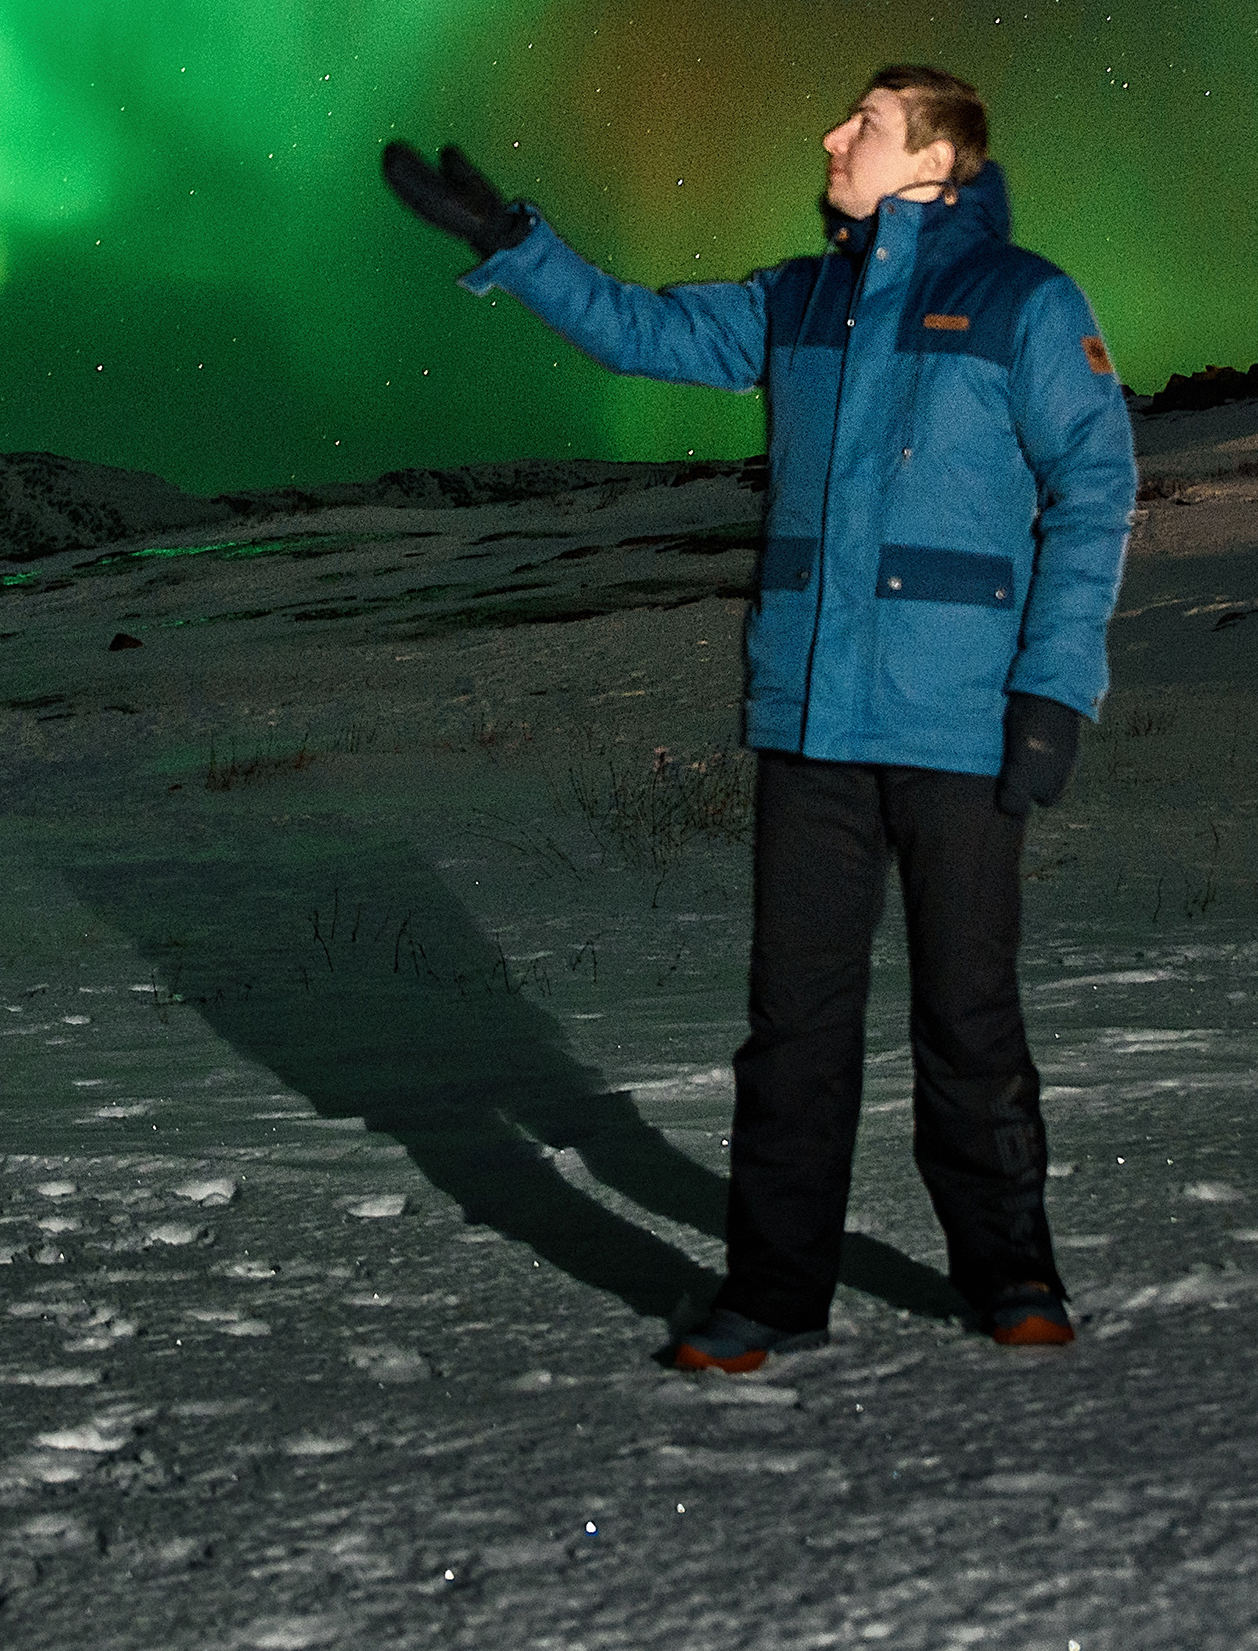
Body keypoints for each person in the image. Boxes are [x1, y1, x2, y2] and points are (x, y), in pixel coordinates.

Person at [381, 66, 1135, 1368]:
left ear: (935, 160)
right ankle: (773, 1292)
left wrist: (1053, 688)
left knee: (970, 1015)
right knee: (795, 1028)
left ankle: (1013, 1271)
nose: (832, 134)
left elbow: (1098, 480)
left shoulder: (1026, 300)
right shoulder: (801, 297)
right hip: (815, 727)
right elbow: (643, 331)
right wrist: (518, 246)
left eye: (867, 123)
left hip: (961, 726)